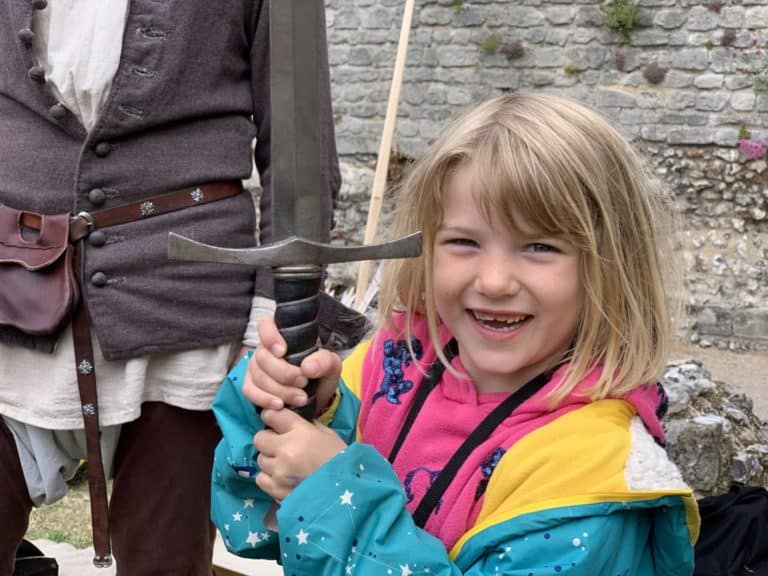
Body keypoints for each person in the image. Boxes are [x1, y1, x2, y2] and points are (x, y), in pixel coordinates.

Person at [211, 93, 701, 575]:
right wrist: (297, 411)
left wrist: (334, 497)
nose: (493, 281)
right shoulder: (393, 367)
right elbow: (254, 527)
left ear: (611, 266)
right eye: (464, 242)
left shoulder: (592, 475)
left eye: (539, 246)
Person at [0, 1, 349, 574]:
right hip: (16, 287)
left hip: (191, 308)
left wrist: (278, 318)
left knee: (166, 559)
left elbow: (298, 153)